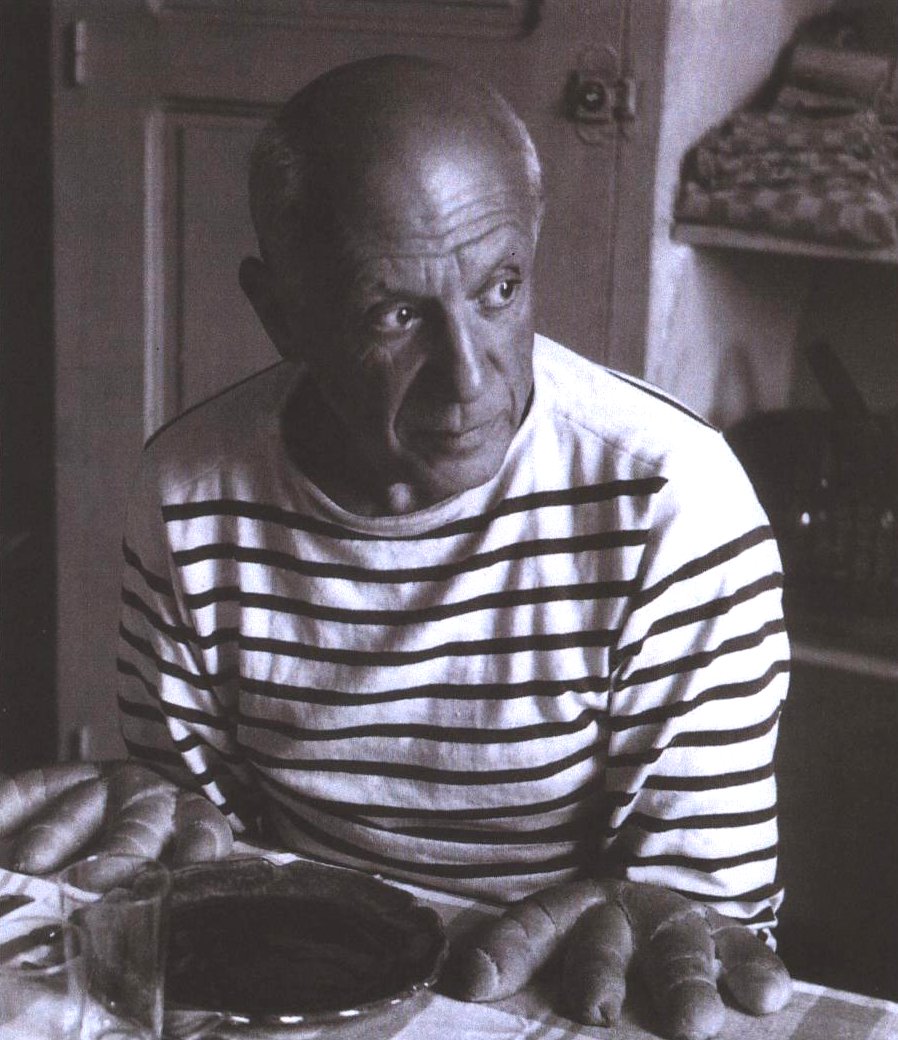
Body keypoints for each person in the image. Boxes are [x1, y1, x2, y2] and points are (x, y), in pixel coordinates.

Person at [0, 55, 792, 1034]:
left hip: (553, 992)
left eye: (500, 289)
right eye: (397, 314)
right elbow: (200, 848)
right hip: (307, 975)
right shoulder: (189, 492)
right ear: (281, 313)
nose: (469, 377)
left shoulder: (669, 498)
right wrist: (152, 824)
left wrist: (646, 921)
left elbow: (703, 917)